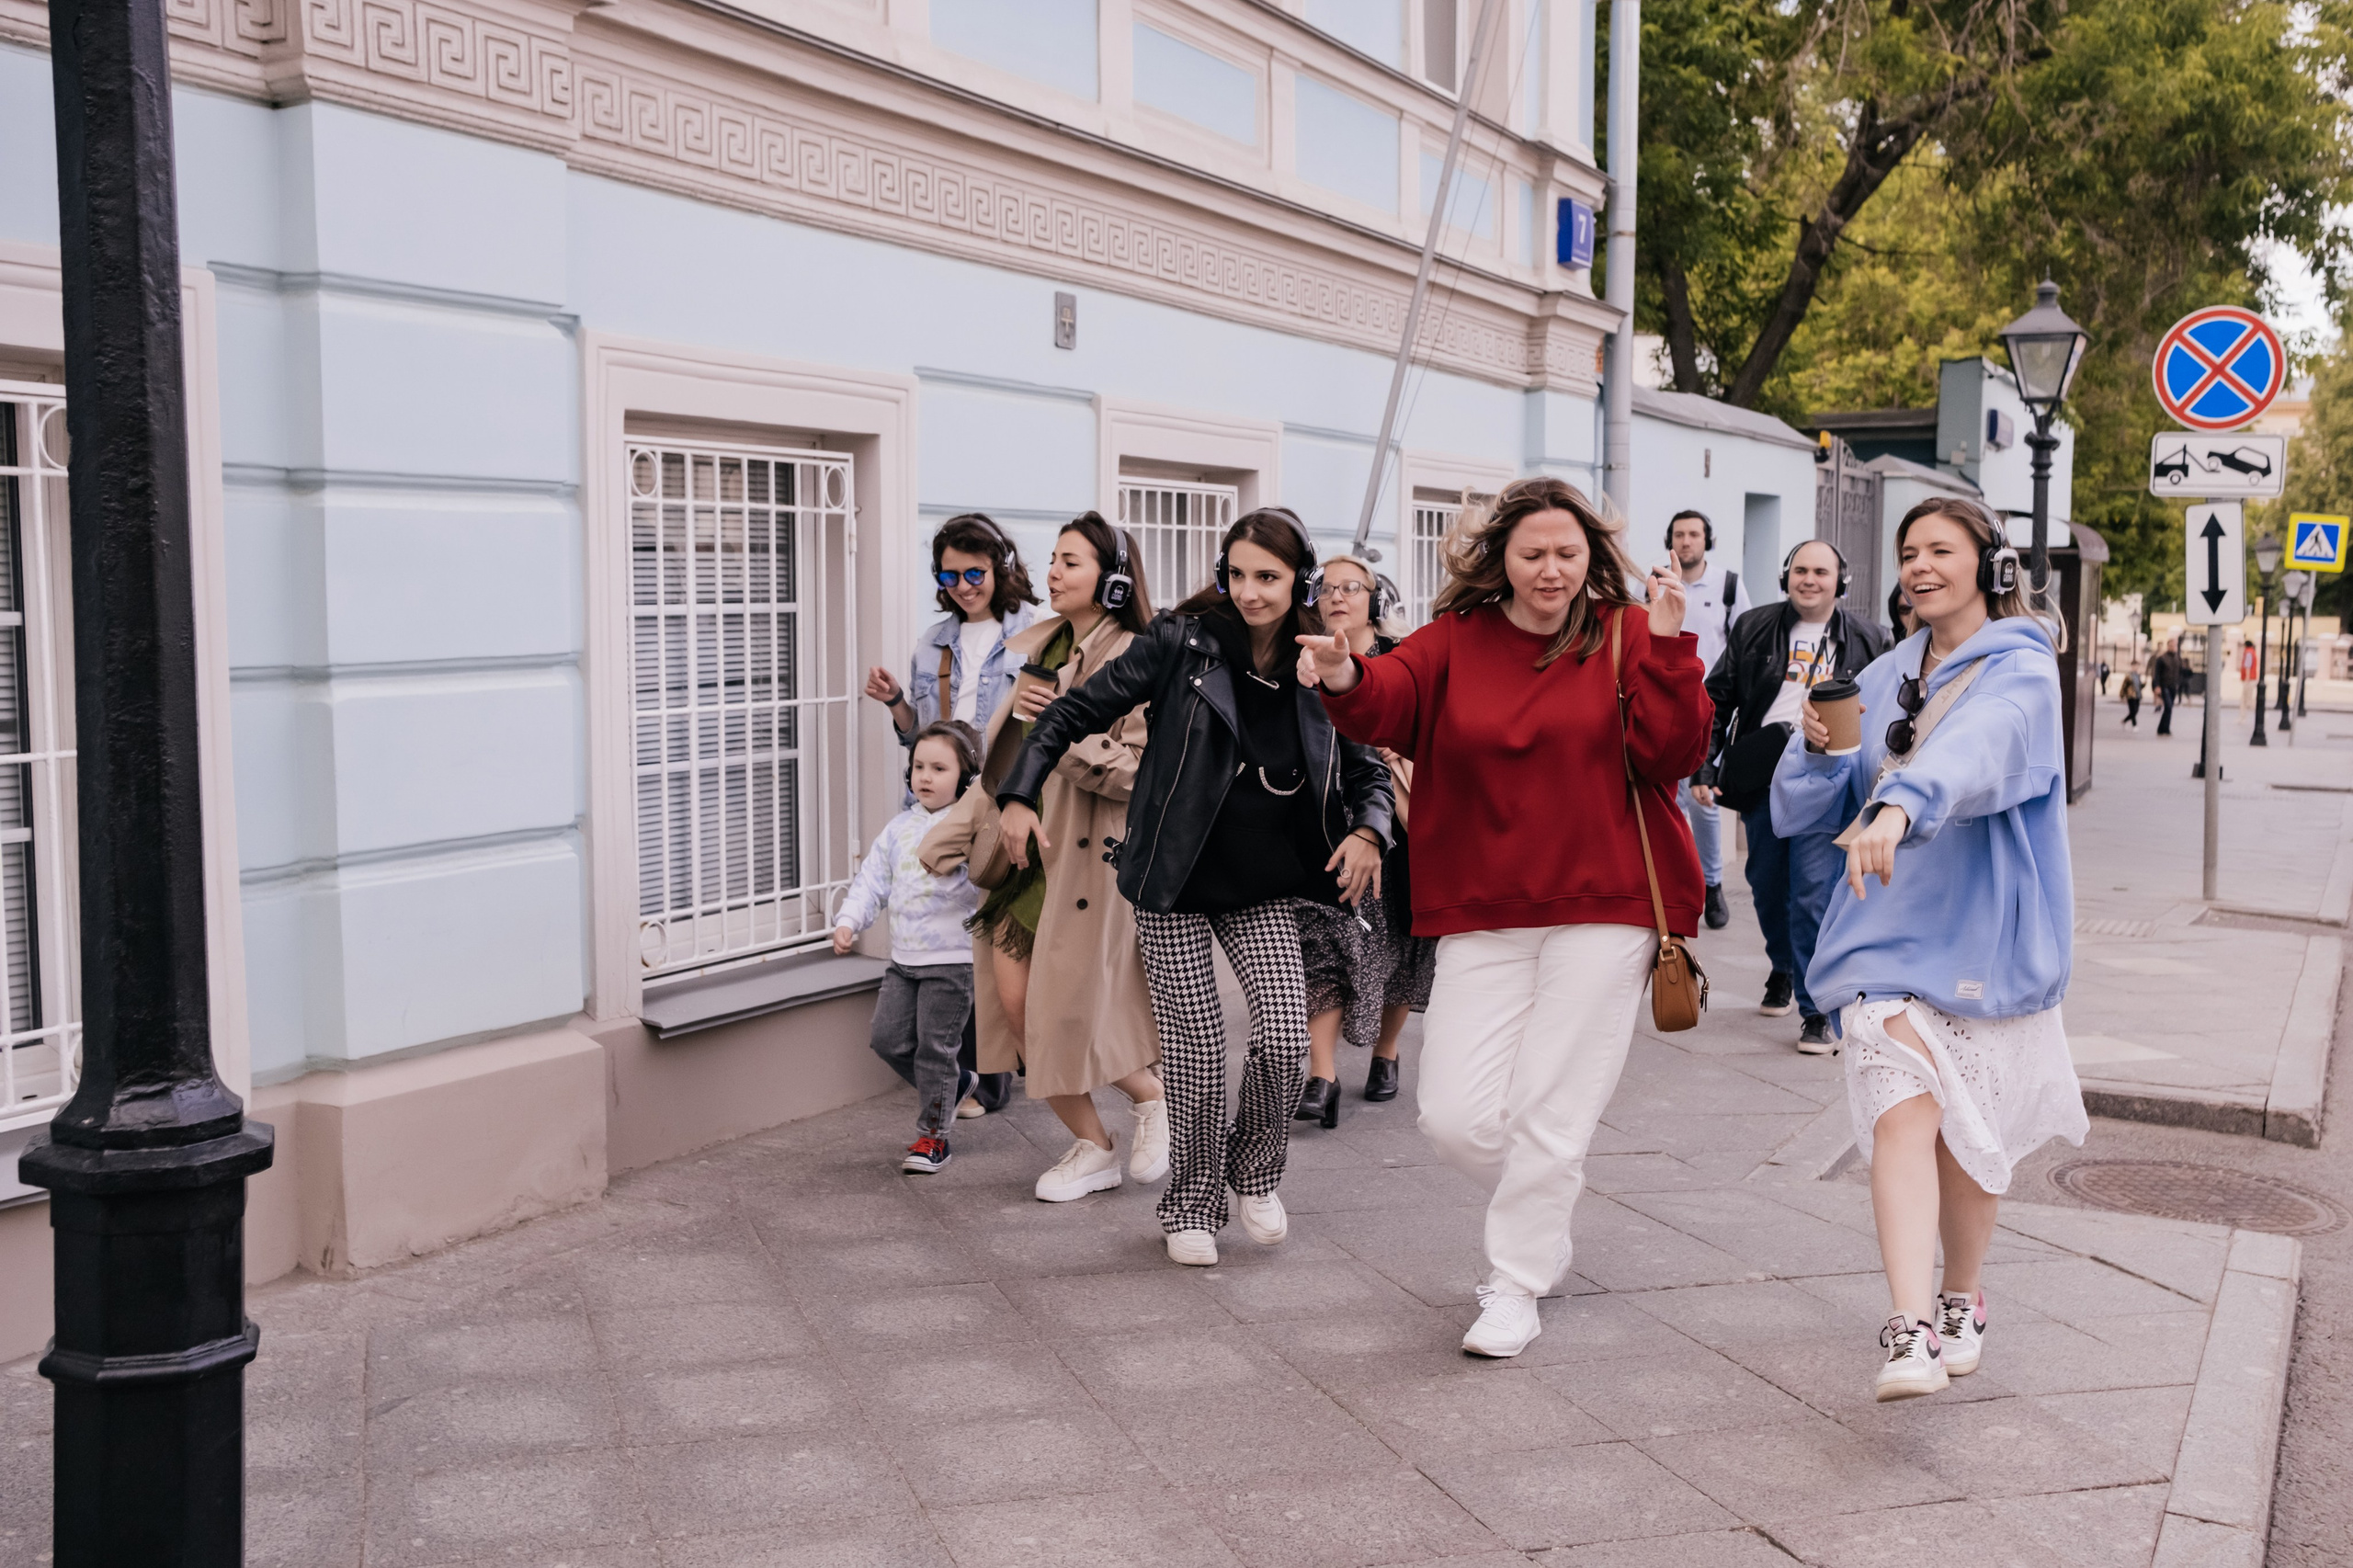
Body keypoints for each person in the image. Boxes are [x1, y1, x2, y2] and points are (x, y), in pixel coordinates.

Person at [1303, 477, 1711, 1359]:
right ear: (1501, 559)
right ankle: (1545, 1209)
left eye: (1569, 553)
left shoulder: (1629, 634)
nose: (1552, 570)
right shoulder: (1458, 639)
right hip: (1482, 907)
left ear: (1592, 557)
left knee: (1551, 1111)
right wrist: (1340, 672)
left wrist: (1673, 650)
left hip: (1607, 905)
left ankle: (1514, 1284)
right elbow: (1387, 699)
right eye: (1534, 554)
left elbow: (1674, 755)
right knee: (1453, 1116)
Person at [997, 509, 1392, 1267]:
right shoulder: (1181, 644)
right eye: (1236, 574)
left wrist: (1369, 831)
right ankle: (1191, 1206)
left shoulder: (1325, 661)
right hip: (1172, 878)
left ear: (1299, 581)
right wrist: (1019, 791)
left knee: (1281, 1036)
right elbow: (1071, 714)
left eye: (1267, 578)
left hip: (1264, 884)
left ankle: (1254, 1173)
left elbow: (1370, 767)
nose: (1248, 592)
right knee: (1198, 1053)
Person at [1771, 495, 2086, 1400]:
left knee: (1968, 1139)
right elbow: (1804, 812)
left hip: (1984, 939)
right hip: (1881, 936)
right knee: (1899, 1110)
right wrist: (1815, 753)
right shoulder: (1877, 678)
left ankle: (1959, 1296)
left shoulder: (2022, 672)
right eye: (1908, 552)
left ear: (1988, 565)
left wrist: (1905, 798)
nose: (1918, 566)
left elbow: (1984, 752)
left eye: (1939, 550)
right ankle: (1908, 1328)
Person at [920, 513, 1167, 1202]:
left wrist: (1065, 719)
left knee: (1074, 1011)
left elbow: (1139, 774)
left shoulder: (1139, 658)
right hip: (1021, 857)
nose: (1053, 573)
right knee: (1018, 1009)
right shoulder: (1041, 647)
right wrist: (953, 831)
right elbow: (1006, 763)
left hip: (1087, 863)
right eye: (1054, 559)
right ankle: (1094, 1145)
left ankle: (1150, 1099)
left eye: (1072, 562)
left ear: (1114, 584)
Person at [1700, 540, 1892, 1052]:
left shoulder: (1871, 637)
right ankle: (1783, 966)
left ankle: (1815, 1010)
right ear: (1787, 577)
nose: (1810, 580)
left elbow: (1894, 709)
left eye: (1821, 572)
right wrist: (1706, 762)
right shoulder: (1754, 626)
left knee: (1811, 892)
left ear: (1840, 582)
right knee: (1765, 884)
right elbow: (1718, 697)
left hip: (1828, 779)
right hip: (1766, 769)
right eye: (1801, 570)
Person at [1291, 554, 1438, 1123]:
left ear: (1375, 598)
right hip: (1324, 819)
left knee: (1403, 940)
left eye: (1351, 587)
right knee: (1321, 937)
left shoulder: (1401, 661)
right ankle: (1322, 1076)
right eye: (1326, 588)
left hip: (1399, 823)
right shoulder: (1302, 661)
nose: (1337, 597)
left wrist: (1395, 746)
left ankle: (1386, 1052)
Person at [834, 722, 986, 1174]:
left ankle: (933, 1138)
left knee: (934, 1048)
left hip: (952, 961)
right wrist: (848, 920)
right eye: (919, 766)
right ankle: (954, 1086)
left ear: (965, 776)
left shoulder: (971, 826)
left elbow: (986, 883)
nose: (925, 776)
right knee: (887, 1040)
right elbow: (872, 882)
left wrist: (963, 867)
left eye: (939, 768)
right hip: (903, 961)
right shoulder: (899, 827)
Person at [865, 513, 1040, 751]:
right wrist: (895, 700)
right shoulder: (930, 643)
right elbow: (920, 740)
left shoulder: (1039, 631)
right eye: (950, 577)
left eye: (975, 574)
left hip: (1006, 788)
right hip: (949, 789)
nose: (963, 587)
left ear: (1002, 568)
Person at [1666, 510, 1751, 932]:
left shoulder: (1729, 586)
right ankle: (1677, 886)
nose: (1686, 542)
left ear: (1706, 540)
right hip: (1667, 706)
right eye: (1679, 534)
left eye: (1694, 534)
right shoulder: (1659, 583)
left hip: (1710, 708)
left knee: (1704, 801)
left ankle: (1713, 885)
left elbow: (1746, 645)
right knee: (1670, 801)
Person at [2152, 638, 2184, 735]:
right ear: (2168, 646)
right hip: (2164, 686)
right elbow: (2156, 674)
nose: (2173, 647)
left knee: (2169, 708)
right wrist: (2156, 686)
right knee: (2168, 707)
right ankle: (2164, 728)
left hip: (2173, 686)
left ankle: (2163, 728)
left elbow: (2180, 672)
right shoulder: (2161, 659)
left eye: (2175, 645)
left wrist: (2179, 683)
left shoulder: (2178, 658)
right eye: (2171, 645)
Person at [2120, 661, 2143, 727]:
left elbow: (2139, 686)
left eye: (2137, 666)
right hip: (2131, 696)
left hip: (2138, 695)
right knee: (2133, 711)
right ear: (2132, 666)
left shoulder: (2138, 675)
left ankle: (2124, 721)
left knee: (2136, 711)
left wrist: (2144, 684)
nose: (2136, 667)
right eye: (2135, 666)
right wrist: (2122, 695)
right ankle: (2134, 725)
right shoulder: (2129, 676)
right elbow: (2124, 686)